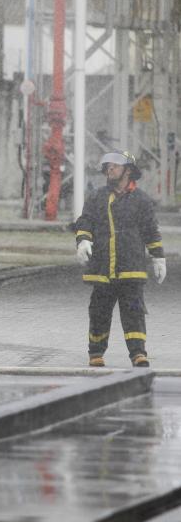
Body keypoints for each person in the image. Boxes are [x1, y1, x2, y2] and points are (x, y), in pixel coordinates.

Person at [74, 151, 166, 368]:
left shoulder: (142, 200)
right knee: (99, 312)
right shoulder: (97, 197)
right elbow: (85, 221)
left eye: (114, 166)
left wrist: (158, 257)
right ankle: (96, 353)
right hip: (102, 268)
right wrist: (83, 240)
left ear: (128, 170)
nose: (109, 170)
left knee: (134, 312)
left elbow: (151, 231)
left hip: (131, 269)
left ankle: (138, 354)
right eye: (107, 166)